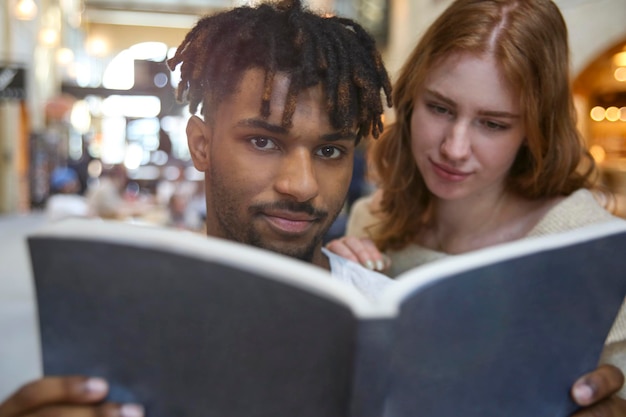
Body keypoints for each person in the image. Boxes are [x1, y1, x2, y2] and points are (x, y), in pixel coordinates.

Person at [0, 1, 623, 416]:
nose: (302, 184)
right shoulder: (379, 224)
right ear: (200, 143)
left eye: (330, 149)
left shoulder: (380, 299)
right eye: (264, 140)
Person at [324, 0, 626, 400]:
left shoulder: (591, 243)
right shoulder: (372, 219)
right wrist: (338, 281)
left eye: (492, 124)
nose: (454, 147)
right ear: (411, 100)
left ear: (534, 130)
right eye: (439, 108)